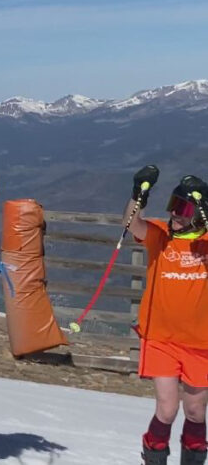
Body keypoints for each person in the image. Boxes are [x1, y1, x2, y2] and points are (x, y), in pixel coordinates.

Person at [127, 170, 208, 465]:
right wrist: (138, 194)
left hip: (201, 343)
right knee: (167, 408)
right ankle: (153, 458)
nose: (175, 213)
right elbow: (132, 223)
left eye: (183, 208)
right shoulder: (161, 236)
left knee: (195, 411)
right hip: (161, 339)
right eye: (173, 204)